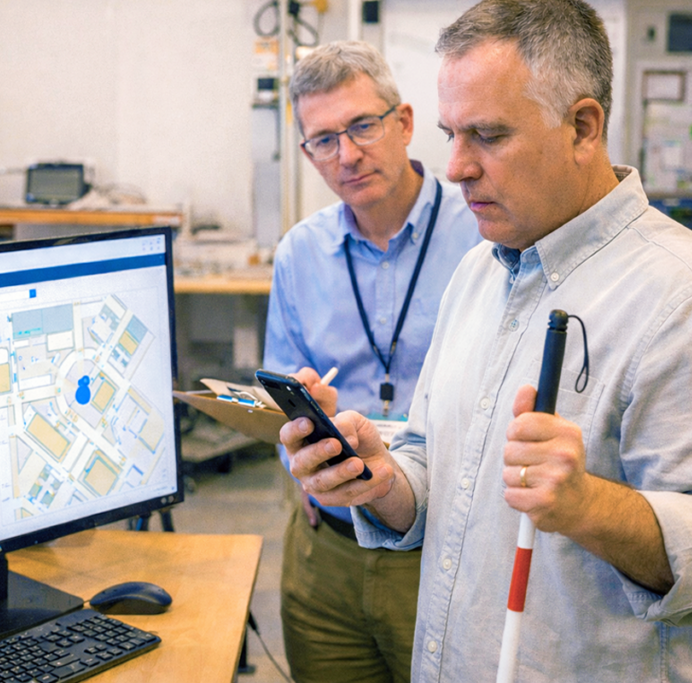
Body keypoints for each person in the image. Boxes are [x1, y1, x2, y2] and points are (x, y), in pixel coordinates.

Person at [280, 1, 692, 681]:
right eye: (451, 135)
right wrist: (380, 478)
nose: (456, 166)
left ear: (583, 127)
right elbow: (434, 470)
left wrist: (588, 505)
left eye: (488, 136)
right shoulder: (478, 272)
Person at [263, 41, 480, 683]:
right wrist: (304, 444)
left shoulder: (483, 233)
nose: (347, 155)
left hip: (448, 550)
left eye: (362, 125)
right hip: (326, 549)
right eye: (323, 139)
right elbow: (279, 397)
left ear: (405, 122)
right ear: (307, 153)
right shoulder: (299, 254)